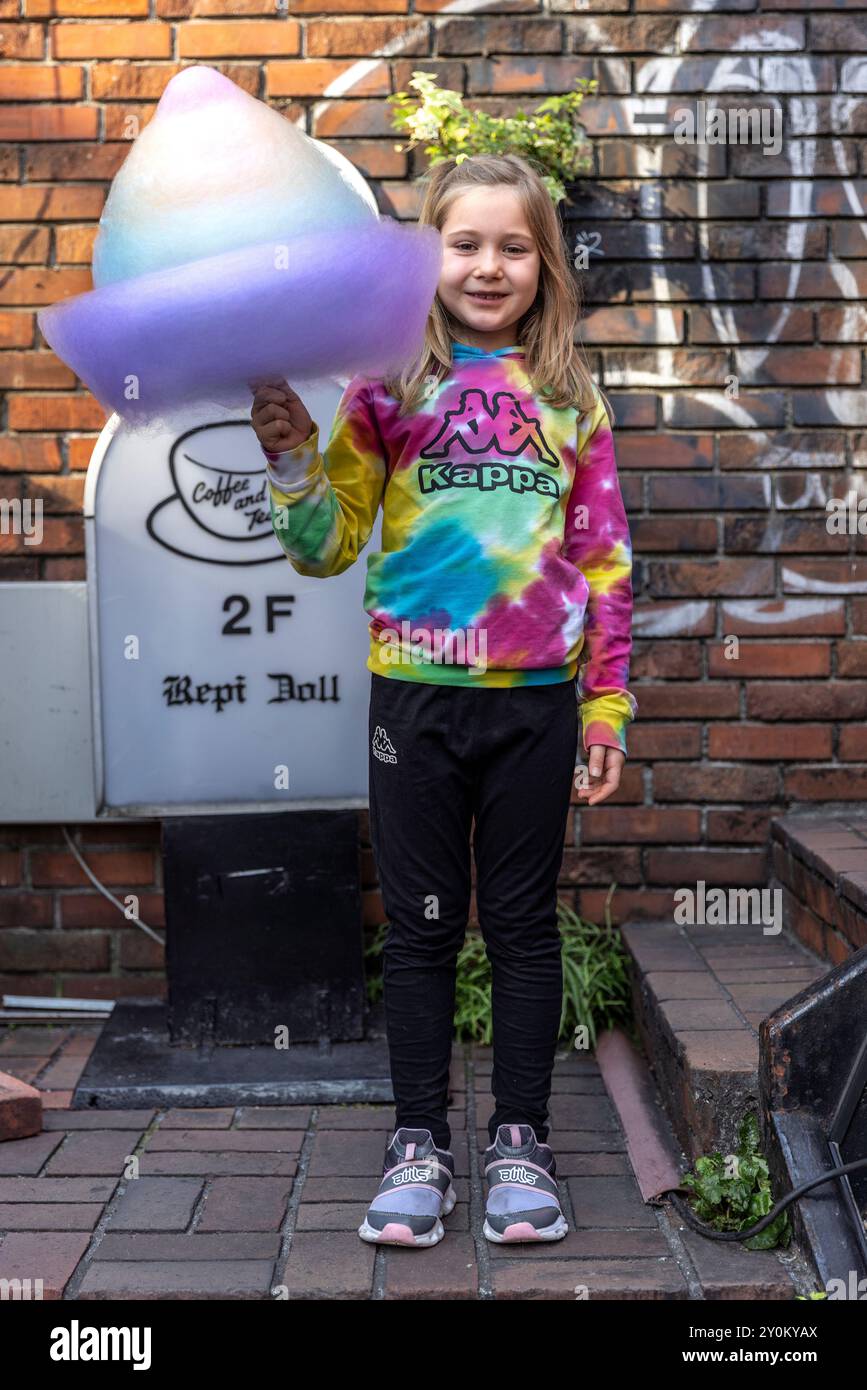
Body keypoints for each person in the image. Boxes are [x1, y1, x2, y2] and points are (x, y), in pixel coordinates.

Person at [250, 153, 637, 1249]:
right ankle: (419, 1143)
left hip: (536, 704)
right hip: (413, 698)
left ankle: (521, 1140)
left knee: (519, 926)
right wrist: (288, 459)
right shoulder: (388, 387)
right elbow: (325, 548)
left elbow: (604, 563)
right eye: (465, 243)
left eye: (514, 246)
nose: (489, 265)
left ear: (544, 265)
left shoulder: (572, 398)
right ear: (430, 255)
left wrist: (604, 709)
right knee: (420, 933)